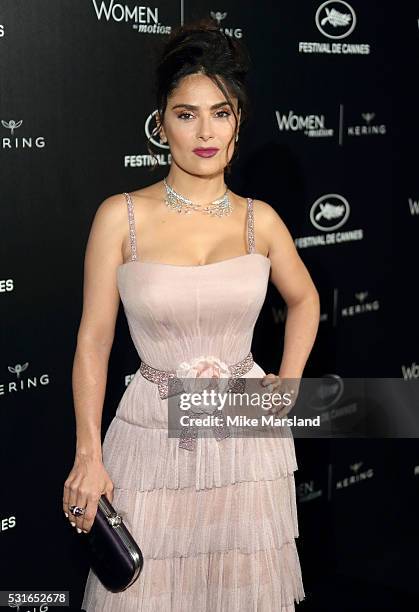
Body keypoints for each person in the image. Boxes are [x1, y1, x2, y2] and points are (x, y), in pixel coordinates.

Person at [63, 19, 320, 611]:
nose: (205, 131)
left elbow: (305, 300)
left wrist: (287, 386)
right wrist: (87, 454)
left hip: (246, 436)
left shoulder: (261, 221)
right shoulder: (120, 218)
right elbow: (94, 340)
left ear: (238, 123)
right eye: (186, 113)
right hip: (152, 436)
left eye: (221, 113)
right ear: (161, 122)